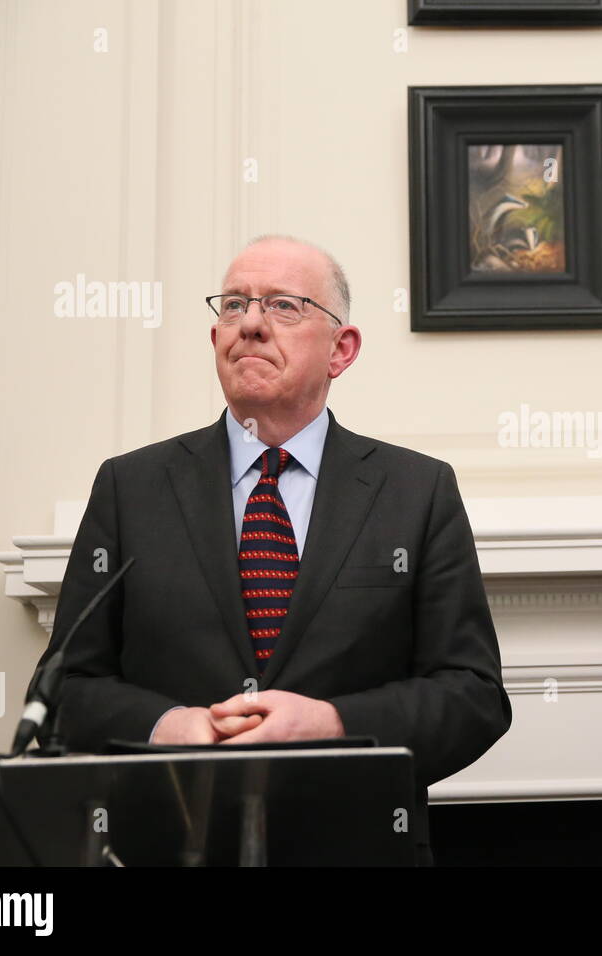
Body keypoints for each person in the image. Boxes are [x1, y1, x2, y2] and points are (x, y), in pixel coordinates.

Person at [34, 235, 511, 864]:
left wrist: (331, 726)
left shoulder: (417, 491)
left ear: (343, 350)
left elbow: (473, 694)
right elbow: (63, 689)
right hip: (172, 845)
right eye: (234, 306)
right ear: (215, 342)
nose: (251, 324)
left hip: (355, 848)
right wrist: (170, 728)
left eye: (284, 306)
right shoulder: (131, 486)